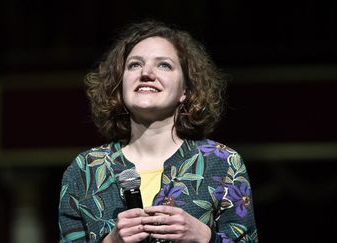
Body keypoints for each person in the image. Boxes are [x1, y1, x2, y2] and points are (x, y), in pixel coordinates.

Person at [58, 20, 258, 243]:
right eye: (134, 65)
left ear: (186, 90)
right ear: (120, 84)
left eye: (163, 65)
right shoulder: (85, 170)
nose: (146, 73)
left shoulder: (223, 163)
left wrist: (204, 237)